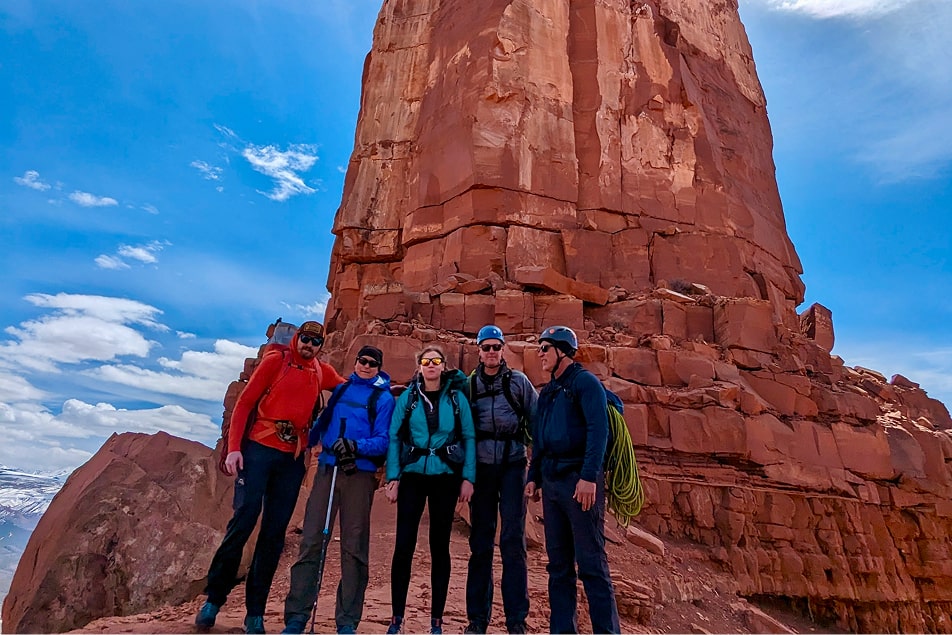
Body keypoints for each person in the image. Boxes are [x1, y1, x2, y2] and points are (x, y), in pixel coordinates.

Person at [196, 321, 346, 635]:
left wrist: (387, 388)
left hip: (291, 460)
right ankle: (214, 598)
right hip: (258, 451)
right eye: (304, 339)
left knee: (274, 534)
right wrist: (234, 449)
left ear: (321, 345)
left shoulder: (321, 371)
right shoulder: (275, 362)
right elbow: (245, 403)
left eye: (315, 341)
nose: (308, 345)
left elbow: (350, 386)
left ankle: (255, 613)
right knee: (244, 519)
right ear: (296, 340)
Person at [282, 345, 395, 634]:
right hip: (327, 469)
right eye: (362, 361)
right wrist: (303, 443)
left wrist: (356, 447)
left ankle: (347, 621)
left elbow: (384, 440)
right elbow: (321, 423)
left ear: (378, 367)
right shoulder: (342, 390)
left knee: (354, 547)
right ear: (355, 362)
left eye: (372, 363)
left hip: (359, 474)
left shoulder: (383, 399)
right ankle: (296, 617)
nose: (366, 366)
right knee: (312, 541)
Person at [525, 325, 620, 634]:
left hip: (580, 485)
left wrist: (589, 477)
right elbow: (539, 438)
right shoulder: (549, 391)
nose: (540, 353)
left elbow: (598, 431)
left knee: (591, 565)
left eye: (545, 348)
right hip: (552, 485)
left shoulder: (586, 384)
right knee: (559, 567)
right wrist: (533, 476)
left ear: (562, 351)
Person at [383, 346, 476, 635]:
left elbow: (469, 437)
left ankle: (436, 620)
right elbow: (395, 436)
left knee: (440, 547)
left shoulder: (456, 397)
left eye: (436, 361)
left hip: (446, 476)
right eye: (426, 361)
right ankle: (397, 617)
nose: (431, 365)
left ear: (443, 365)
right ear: (419, 366)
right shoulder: (409, 398)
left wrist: (468, 478)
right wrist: (393, 477)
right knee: (404, 546)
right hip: (413, 475)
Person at [464, 325, 537, 635]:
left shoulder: (518, 382)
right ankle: (477, 621)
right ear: (479, 351)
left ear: (503, 349)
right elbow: (460, 430)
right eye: (486, 347)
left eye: (496, 347)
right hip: (481, 469)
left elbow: (537, 423)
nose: (491, 352)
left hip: (512, 466)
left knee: (512, 542)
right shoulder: (469, 385)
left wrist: (536, 473)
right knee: (480, 544)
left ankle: (516, 621)